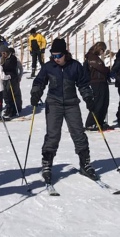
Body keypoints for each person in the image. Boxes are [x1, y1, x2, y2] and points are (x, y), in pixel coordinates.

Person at [30, 38, 97, 183]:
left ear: (65, 53)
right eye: (53, 55)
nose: (56, 58)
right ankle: (47, 164)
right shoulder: (48, 67)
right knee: (53, 134)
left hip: (72, 104)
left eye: (58, 55)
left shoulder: (75, 66)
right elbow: (39, 81)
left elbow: (83, 84)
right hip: (54, 103)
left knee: (78, 133)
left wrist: (88, 98)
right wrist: (35, 93)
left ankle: (85, 163)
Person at [83, 42, 112, 131]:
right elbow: (100, 68)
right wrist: (108, 69)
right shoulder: (92, 57)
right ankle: (90, 123)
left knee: (104, 102)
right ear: (99, 49)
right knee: (98, 102)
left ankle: (99, 121)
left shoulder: (95, 57)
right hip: (96, 82)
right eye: (102, 50)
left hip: (101, 81)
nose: (103, 52)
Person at [0, 48, 23, 119]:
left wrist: (19, 76)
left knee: (14, 93)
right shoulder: (2, 59)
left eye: (4, 53)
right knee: (6, 93)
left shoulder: (14, 59)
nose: (3, 55)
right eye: (2, 53)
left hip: (13, 78)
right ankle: (9, 107)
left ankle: (16, 108)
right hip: (5, 78)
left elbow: (18, 68)